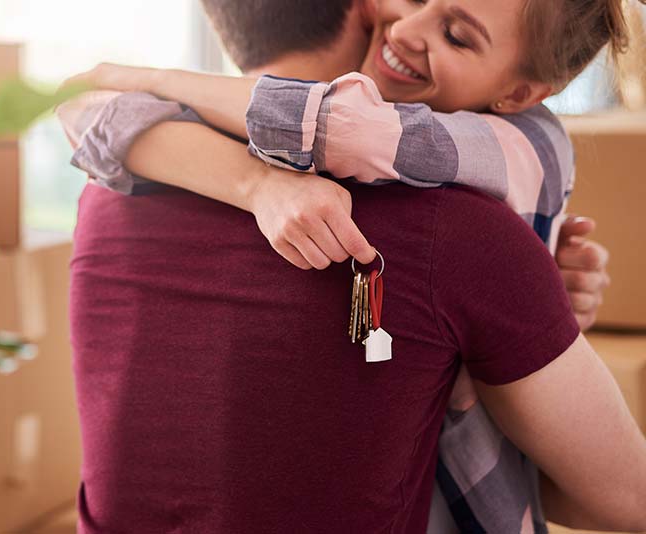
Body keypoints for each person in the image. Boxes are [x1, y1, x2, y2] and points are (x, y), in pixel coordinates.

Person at [65, 2, 642, 533]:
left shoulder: (108, 189)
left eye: (455, 32)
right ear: (366, 7)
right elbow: (621, 497)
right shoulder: (463, 232)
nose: (409, 26)